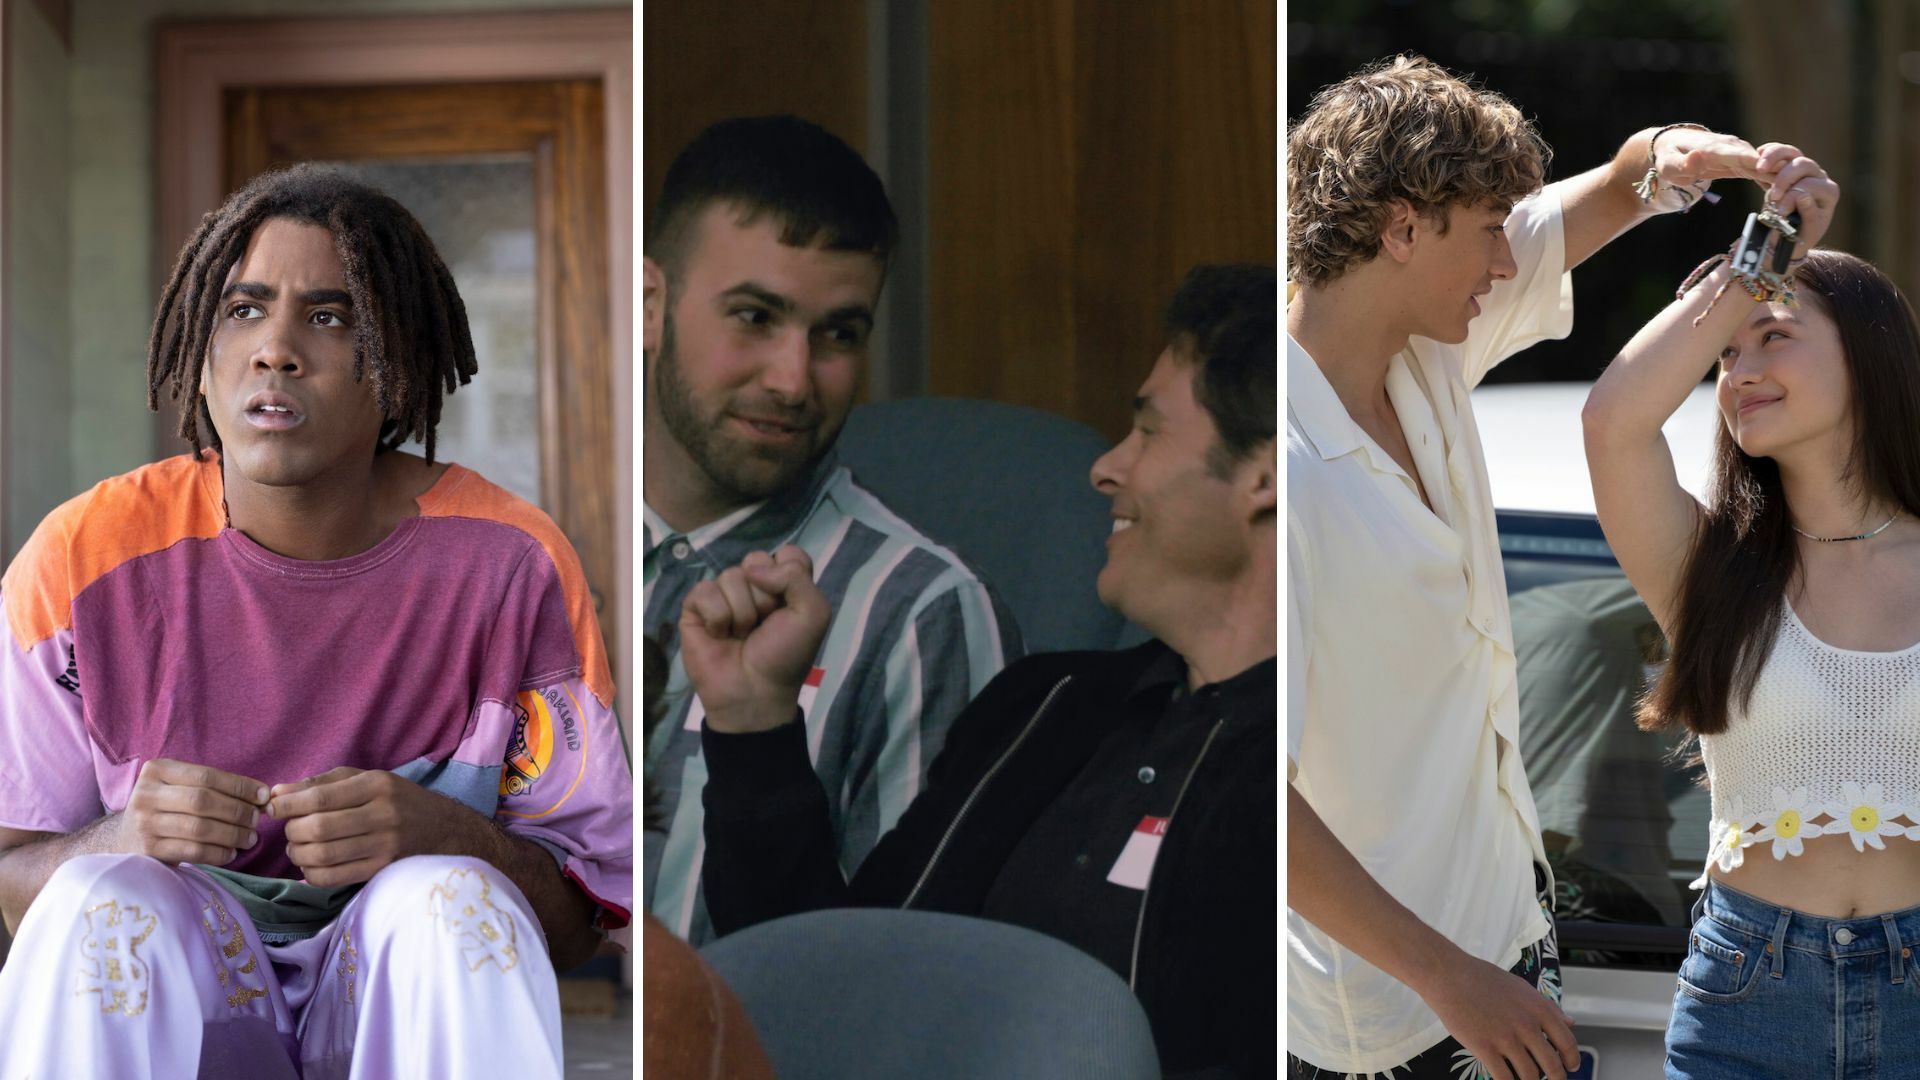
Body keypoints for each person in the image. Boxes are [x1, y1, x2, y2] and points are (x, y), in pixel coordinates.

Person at [0, 165, 632, 1077]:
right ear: (197, 346)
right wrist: (121, 836)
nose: (276, 351)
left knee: (449, 898)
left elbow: (583, 920)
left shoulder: (513, 563)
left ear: (401, 359)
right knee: (101, 899)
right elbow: (19, 890)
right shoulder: (83, 556)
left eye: (329, 317)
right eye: (243, 310)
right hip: (185, 1009)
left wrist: (446, 833)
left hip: (391, 1001)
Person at [1286, 55, 1785, 1080]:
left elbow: (1574, 213)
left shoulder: (1423, 345)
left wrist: (1659, 161)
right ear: (1401, 229)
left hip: (1507, 947)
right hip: (1384, 1011)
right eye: (1482, 237)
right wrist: (1448, 979)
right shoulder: (1282, 470)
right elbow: (1263, 792)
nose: (1504, 266)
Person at [680, 263, 1275, 1077]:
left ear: (1265, 476)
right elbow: (828, 983)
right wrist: (754, 721)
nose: (1107, 468)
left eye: (1147, 431)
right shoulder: (1046, 702)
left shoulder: (1309, 770)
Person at [642, 115, 1021, 944]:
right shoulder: (540, 558)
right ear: (649, 304)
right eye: (752, 316)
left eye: (838, 334)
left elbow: (907, 978)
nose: (792, 379)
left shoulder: (923, 613)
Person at [1583, 151, 1920, 1076]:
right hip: (1747, 1000)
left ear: (1871, 350)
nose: (1740, 373)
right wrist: (1760, 259)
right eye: (1727, 352)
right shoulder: (1711, 569)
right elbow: (1615, 419)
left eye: (1773, 335)